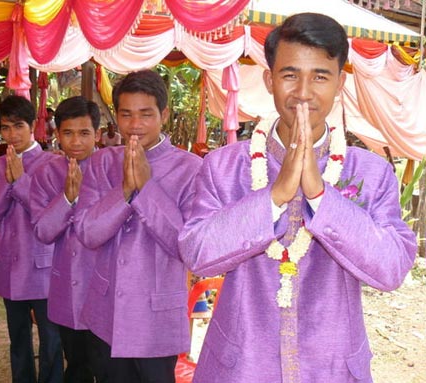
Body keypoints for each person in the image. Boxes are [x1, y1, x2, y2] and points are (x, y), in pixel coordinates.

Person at [178, 13, 417, 383]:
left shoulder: (371, 172)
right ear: (269, 79)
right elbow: (197, 254)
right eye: (290, 74)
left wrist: (320, 194)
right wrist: (275, 194)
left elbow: (390, 269)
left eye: (320, 76)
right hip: (241, 367)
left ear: (340, 82)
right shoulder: (224, 166)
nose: (303, 91)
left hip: (332, 368)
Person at [74, 69, 203, 383]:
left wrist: (146, 189)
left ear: (164, 115)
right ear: (115, 115)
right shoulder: (102, 163)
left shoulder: (191, 169)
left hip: (156, 316)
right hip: (108, 311)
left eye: (146, 114)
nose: (134, 125)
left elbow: (185, 245)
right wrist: (125, 191)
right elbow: (87, 233)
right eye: (126, 114)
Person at [0, 95, 63, 383]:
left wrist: (21, 182)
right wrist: (7, 180)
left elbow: (52, 216)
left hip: (44, 266)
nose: (11, 135)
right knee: (18, 337)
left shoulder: (53, 164)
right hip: (9, 268)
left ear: (32, 126)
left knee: (52, 338)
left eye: (18, 126)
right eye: (5, 127)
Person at [30, 96, 101, 383]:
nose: (76, 142)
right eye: (68, 133)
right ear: (57, 134)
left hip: (108, 287)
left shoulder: (115, 168)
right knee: (77, 366)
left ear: (97, 133)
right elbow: (43, 232)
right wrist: (67, 199)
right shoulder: (46, 175)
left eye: (84, 133)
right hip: (69, 286)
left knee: (110, 368)